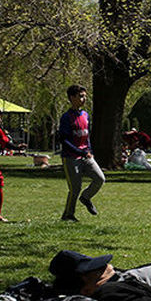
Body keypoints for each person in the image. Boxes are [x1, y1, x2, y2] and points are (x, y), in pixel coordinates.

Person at [57, 84, 105, 221]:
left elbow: (86, 136)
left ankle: (86, 198)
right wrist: (79, 152)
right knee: (75, 188)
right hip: (71, 157)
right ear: (72, 98)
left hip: (86, 155)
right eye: (80, 96)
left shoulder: (85, 115)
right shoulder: (66, 117)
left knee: (100, 179)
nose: (84, 99)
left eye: (85, 96)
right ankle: (68, 215)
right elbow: (64, 140)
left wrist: (89, 150)